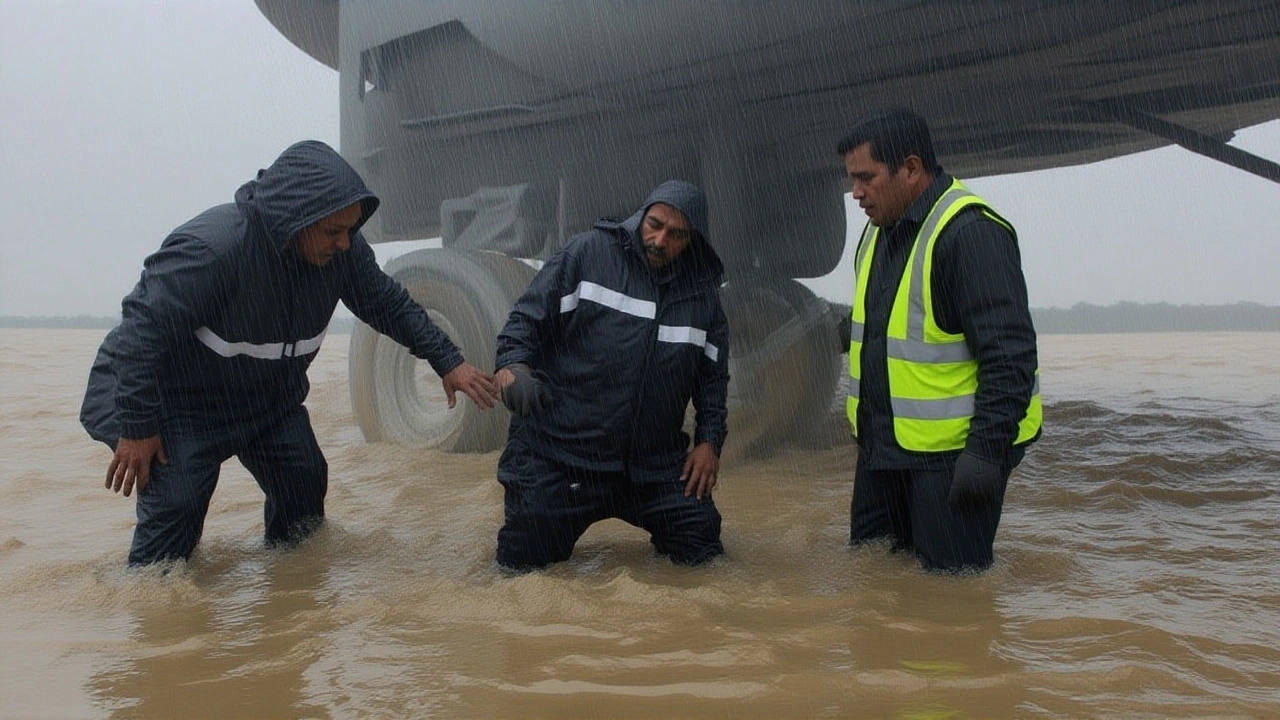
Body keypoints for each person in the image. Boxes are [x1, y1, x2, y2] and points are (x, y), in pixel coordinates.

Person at [80, 140, 500, 566]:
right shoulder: (214, 249)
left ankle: (291, 591)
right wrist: (137, 426)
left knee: (304, 483)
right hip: (180, 407)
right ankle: (152, 615)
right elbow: (140, 333)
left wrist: (448, 361)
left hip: (267, 402)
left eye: (350, 231)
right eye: (333, 232)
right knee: (176, 517)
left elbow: (389, 305)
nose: (344, 243)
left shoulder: (343, 254)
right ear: (296, 219)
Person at [837, 108, 1042, 573]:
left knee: (950, 602)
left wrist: (987, 454)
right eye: (852, 179)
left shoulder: (970, 234)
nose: (856, 193)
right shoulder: (877, 232)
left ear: (911, 169)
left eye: (866, 178)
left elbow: (1010, 355)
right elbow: (893, 324)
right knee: (872, 582)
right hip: (883, 452)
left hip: (952, 461)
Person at [492, 180, 730, 571]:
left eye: (676, 234)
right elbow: (523, 323)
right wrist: (513, 367)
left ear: (693, 240)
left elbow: (712, 380)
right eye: (654, 225)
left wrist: (709, 442)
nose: (659, 240)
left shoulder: (704, 299)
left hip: (652, 468)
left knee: (703, 551)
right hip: (563, 459)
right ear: (641, 216)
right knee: (521, 574)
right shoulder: (586, 254)